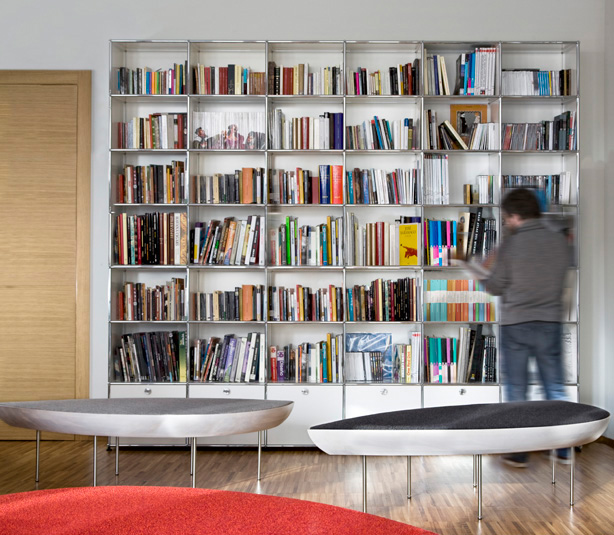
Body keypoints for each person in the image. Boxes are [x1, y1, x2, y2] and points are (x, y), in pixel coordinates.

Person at [480, 188, 571, 468]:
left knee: (517, 390)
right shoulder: (559, 241)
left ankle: (519, 452)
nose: (507, 222)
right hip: (550, 322)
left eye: (507, 218)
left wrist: (482, 271)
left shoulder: (510, 245)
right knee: (554, 387)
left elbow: (495, 286)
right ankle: (563, 449)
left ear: (515, 216)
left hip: (516, 324)